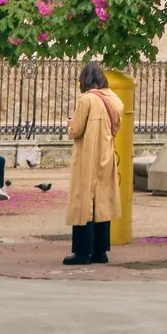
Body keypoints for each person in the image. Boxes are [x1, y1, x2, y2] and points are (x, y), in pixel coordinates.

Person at [64, 61, 121, 266]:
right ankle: (100, 251)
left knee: (84, 202)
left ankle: (82, 252)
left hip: (88, 156)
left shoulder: (86, 100)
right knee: (102, 203)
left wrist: (70, 123)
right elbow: (117, 125)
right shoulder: (114, 99)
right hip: (106, 156)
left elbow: (76, 130)